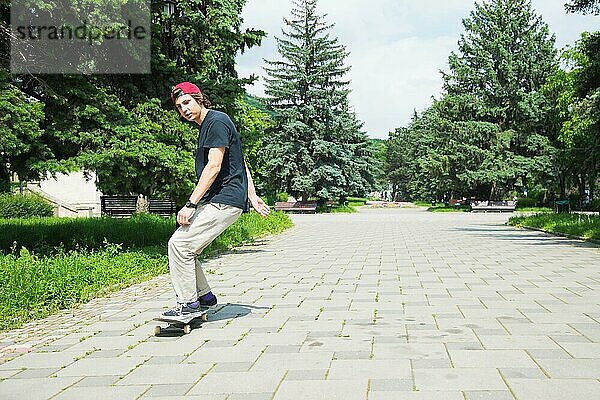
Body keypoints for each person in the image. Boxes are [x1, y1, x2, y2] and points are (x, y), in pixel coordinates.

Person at [162, 82, 270, 320]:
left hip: (223, 200)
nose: (184, 110)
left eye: (187, 102)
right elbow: (240, 163)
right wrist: (251, 196)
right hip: (226, 199)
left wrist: (190, 204)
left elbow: (214, 166)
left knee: (179, 246)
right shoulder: (210, 124)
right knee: (185, 246)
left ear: (199, 98)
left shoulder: (215, 122)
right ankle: (205, 297)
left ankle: (188, 304)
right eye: (179, 107)